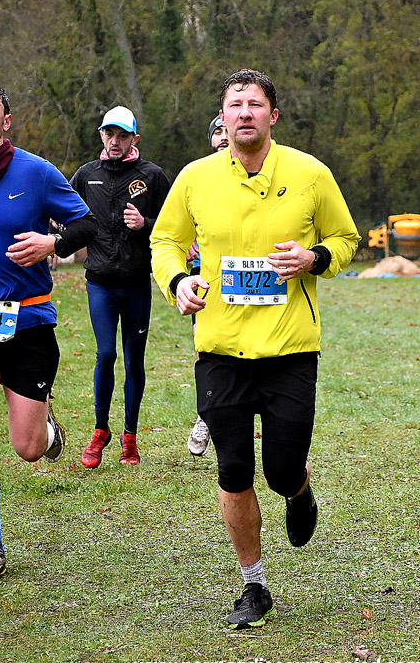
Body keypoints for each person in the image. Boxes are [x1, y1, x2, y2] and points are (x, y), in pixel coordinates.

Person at [151, 68, 359, 629]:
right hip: (220, 348)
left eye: (255, 104)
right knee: (234, 468)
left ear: (273, 115)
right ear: (223, 118)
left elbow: (345, 239)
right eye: (235, 105)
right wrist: (177, 281)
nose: (245, 113)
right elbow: (165, 240)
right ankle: (254, 584)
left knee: (280, 469)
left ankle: (298, 488)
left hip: (290, 348)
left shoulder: (310, 173)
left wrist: (313, 258)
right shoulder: (195, 177)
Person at [0, 80, 97, 583]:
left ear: (6, 120)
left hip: (30, 322)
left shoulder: (35, 172)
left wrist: (51, 243)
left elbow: (87, 224)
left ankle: (47, 426)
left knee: (28, 448)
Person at [71, 106, 170, 468]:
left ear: (134, 139)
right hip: (100, 282)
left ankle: (130, 436)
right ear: (101, 135)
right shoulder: (86, 175)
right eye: (109, 134)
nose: (115, 141)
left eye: (122, 135)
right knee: (105, 355)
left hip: (136, 284)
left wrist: (145, 223)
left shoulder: (152, 176)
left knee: (133, 360)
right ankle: (101, 430)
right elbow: (65, 213)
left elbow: (173, 225)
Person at [186, 114, 230, 457]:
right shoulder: (197, 177)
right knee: (206, 349)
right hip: (205, 275)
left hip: (248, 277)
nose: (224, 137)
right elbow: (175, 226)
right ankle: (206, 415)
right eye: (218, 131)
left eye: (229, 130)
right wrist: (185, 242)